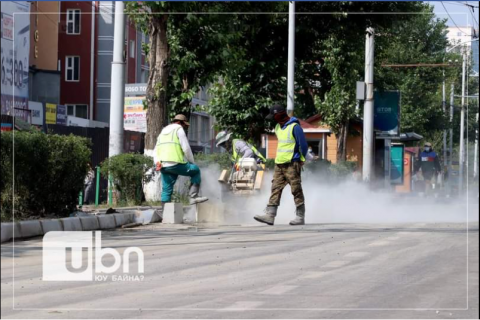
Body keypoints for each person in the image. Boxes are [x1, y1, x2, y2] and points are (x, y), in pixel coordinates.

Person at [254, 105, 308, 226]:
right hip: (279, 164)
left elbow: (303, 145)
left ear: (280, 115)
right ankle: (270, 215)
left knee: (296, 189)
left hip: (292, 163)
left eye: (274, 116)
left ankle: (300, 216)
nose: (273, 119)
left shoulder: (295, 127)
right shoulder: (278, 127)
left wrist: (301, 159)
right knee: (275, 188)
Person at [155, 114, 208, 205]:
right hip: (176, 163)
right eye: (184, 125)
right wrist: (192, 162)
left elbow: (156, 150)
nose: (184, 127)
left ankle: (166, 215)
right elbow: (186, 148)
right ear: (180, 122)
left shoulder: (162, 133)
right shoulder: (178, 129)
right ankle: (193, 196)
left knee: (166, 189)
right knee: (195, 170)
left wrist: (157, 162)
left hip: (163, 165)